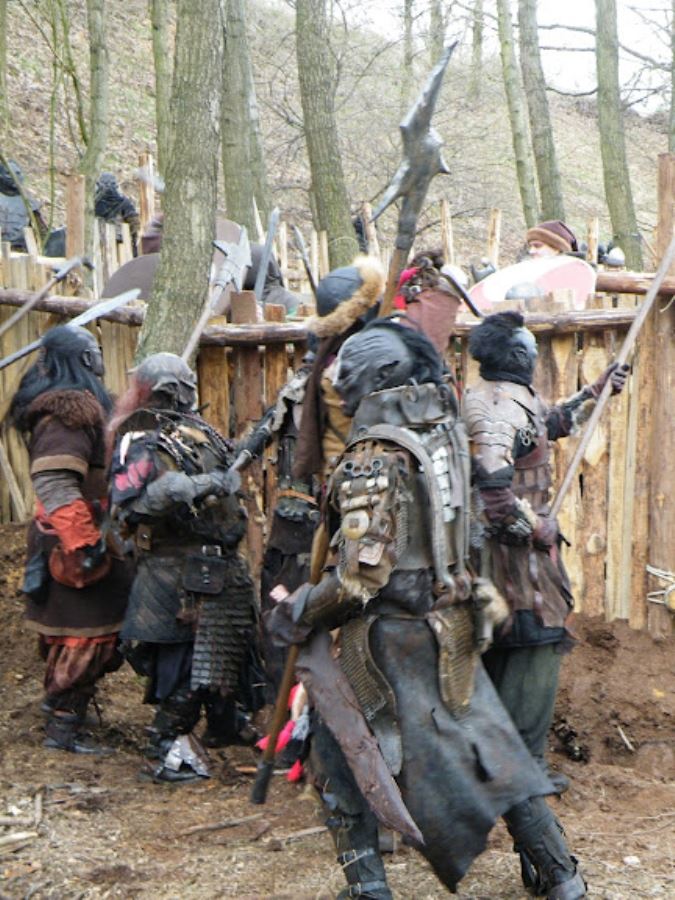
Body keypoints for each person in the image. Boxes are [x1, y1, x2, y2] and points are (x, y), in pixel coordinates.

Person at [268, 320, 587, 900]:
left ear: (379, 375)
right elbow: (471, 535)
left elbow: (361, 578)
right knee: (494, 754)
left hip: (387, 640)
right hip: (452, 623)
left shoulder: (375, 455)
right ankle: (562, 876)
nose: (340, 381)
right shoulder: (446, 436)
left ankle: (368, 888)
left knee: (337, 751)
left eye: (350, 370)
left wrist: (301, 609)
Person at [463, 311, 629, 793]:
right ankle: (520, 770)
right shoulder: (496, 408)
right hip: (509, 560)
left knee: (521, 638)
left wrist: (596, 391)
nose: (535, 357)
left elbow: (549, 423)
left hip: (516, 558)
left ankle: (502, 764)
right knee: (534, 636)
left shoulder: (505, 398)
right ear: (518, 355)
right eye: (531, 350)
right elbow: (494, 499)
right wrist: (538, 529)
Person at [108, 353, 260, 781]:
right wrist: (197, 484)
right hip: (176, 571)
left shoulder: (197, 430)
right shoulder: (141, 439)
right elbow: (131, 506)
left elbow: (226, 464)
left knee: (229, 651)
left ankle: (225, 723)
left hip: (216, 564)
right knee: (189, 668)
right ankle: (163, 749)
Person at [9, 325, 131, 754]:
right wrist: (84, 545)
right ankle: (63, 729)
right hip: (71, 542)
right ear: (83, 360)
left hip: (76, 536)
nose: (99, 359)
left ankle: (66, 714)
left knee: (90, 633)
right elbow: (55, 483)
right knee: (83, 636)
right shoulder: (69, 414)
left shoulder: (76, 408)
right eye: (93, 351)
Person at [0, 158, 49, 252]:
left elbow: (42, 234)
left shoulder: (29, 203)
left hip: (22, 252)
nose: (15, 176)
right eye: (9, 173)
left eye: (18, 173)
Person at [95, 172, 140, 256]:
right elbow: (134, 224)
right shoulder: (124, 202)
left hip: (97, 241)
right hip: (119, 243)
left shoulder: (93, 203)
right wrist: (134, 241)